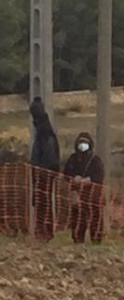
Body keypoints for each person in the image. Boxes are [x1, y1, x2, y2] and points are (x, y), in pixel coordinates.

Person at [62, 132, 106, 244]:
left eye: (85, 143)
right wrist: (73, 178)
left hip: (93, 195)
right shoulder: (73, 159)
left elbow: (99, 176)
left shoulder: (95, 160)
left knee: (95, 218)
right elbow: (66, 173)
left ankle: (96, 240)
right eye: (80, 143)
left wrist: (88, 180)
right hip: (77, 194)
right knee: (77, 218)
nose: (82, 145)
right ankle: (78, 240)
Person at [29, 97, 61, 241]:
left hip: (44, 173)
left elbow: (48, 156)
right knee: (41, 201)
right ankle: (42, 230)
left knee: (43, 201)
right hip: (42, 172)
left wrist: (42, 171)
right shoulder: (45, 129)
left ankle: (44, 231)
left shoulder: (44, 132)